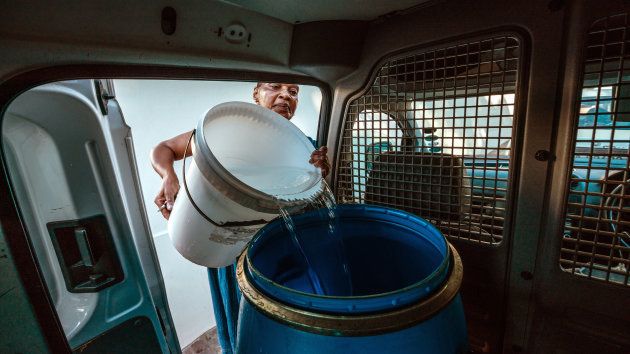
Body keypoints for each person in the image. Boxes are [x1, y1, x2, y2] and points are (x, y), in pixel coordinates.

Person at [150, 82, 330, 354]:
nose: (285, 95)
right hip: (231, 241)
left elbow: (312, 198)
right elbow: (163, 148)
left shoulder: (306, 148)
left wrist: (321, 170)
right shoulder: (226, 133)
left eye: (293, 92)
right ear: (256, 94)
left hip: (277, 249)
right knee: (239, 317)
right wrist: (168, 176)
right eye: (274, 87)